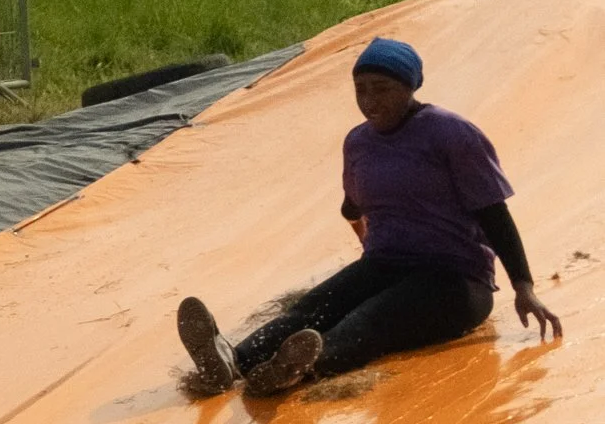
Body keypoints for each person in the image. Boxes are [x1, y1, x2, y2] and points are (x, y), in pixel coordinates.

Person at [177, 35, 563, 401]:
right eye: (361, 89)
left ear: (409, 87)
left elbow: (493, 213)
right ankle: (234, 361)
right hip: (386, 264)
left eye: (381, 88)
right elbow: (352, 206)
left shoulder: (451, 134)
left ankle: (297, 369)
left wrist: (524, 286)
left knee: (370, 319)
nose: (369, 99)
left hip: (455, 281)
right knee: (311, 309)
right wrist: (368, 251)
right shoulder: (358, 142)